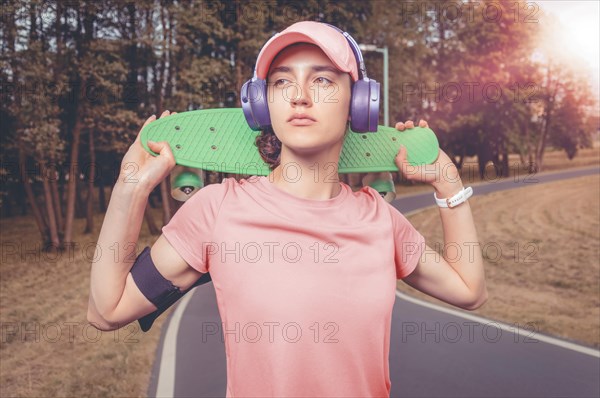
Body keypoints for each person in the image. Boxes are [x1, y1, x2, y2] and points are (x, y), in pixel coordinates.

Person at [87, 20, 487, 398]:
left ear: (359, 102)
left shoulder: (380, 220)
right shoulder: (218, 209)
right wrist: (129, 190)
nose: (299, 94)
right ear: (263, 106)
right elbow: (107, 310)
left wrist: (448, 185)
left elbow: (469, 291)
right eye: (281, 81)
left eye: (323, 79)